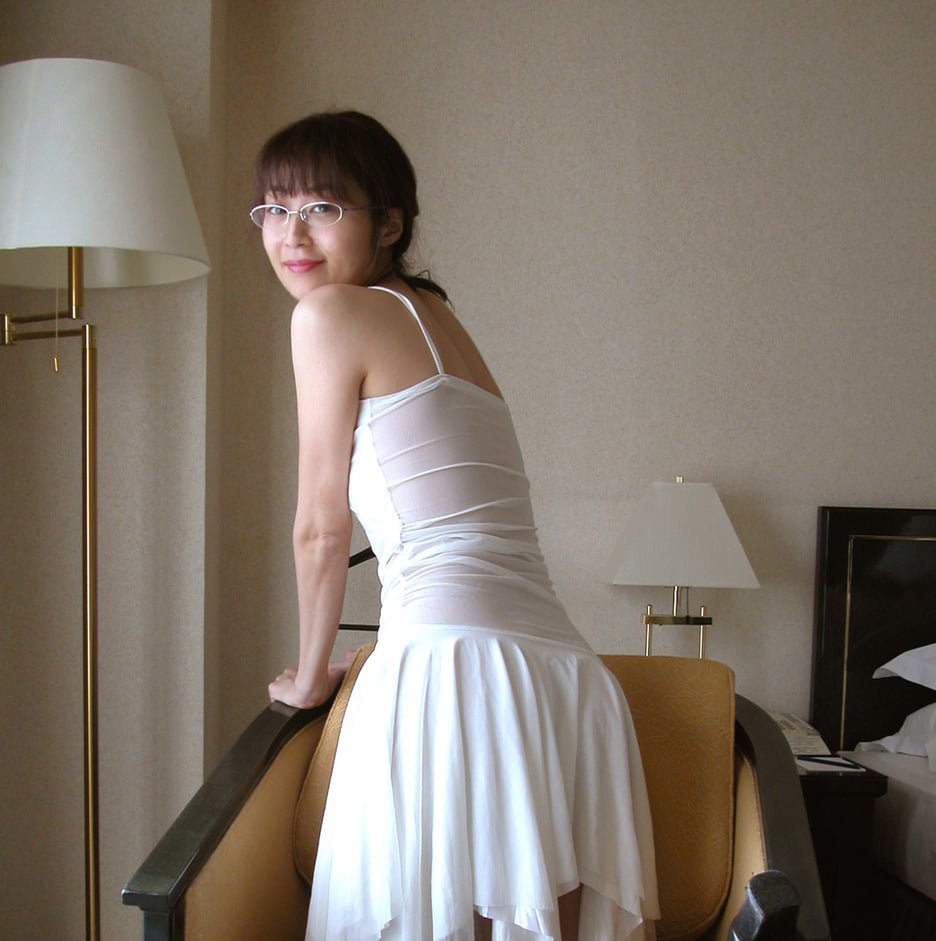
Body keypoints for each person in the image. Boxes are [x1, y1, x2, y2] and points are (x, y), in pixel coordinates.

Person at [260, 111, 658, 941]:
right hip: (563, 680)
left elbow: (321, 527)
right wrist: (384, 646)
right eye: (274, 208)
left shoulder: (330, 314)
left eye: (322, 207)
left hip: (460, 672)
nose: (291, 234)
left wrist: (308, 675)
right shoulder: (436, 318)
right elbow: (456, 522)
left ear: (389, 223)